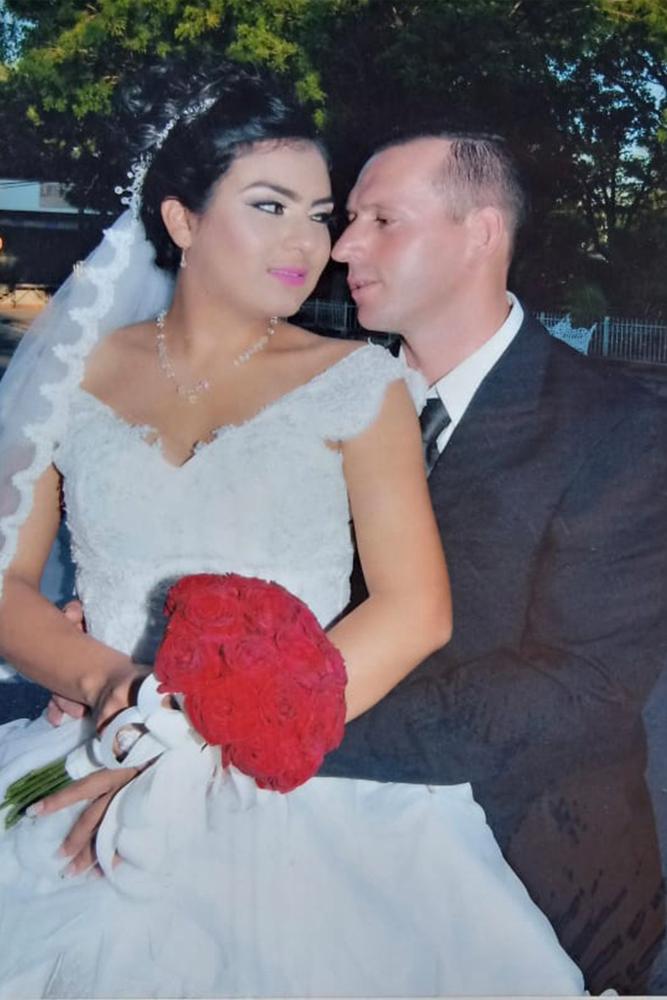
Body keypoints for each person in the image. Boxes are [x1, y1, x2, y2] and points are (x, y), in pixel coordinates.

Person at [0, 67, 585, 997]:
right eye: (270, 207)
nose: (308, 243)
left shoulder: (359, 381)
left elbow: (414, 608)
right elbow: (8, 584)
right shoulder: (74, 374)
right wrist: (116, 690)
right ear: (182, 219)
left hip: (294, 785)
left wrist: (207, 740)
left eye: (318, 215)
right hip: (97, 735)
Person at [325, 128, 667, 995]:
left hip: (523, 879)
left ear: (478, 234)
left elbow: (579, 687)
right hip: (298, 849)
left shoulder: (617, 426)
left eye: (381, 220)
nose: (342, 246)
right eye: (349, 218)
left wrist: (279, 728)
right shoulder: (311, 405)